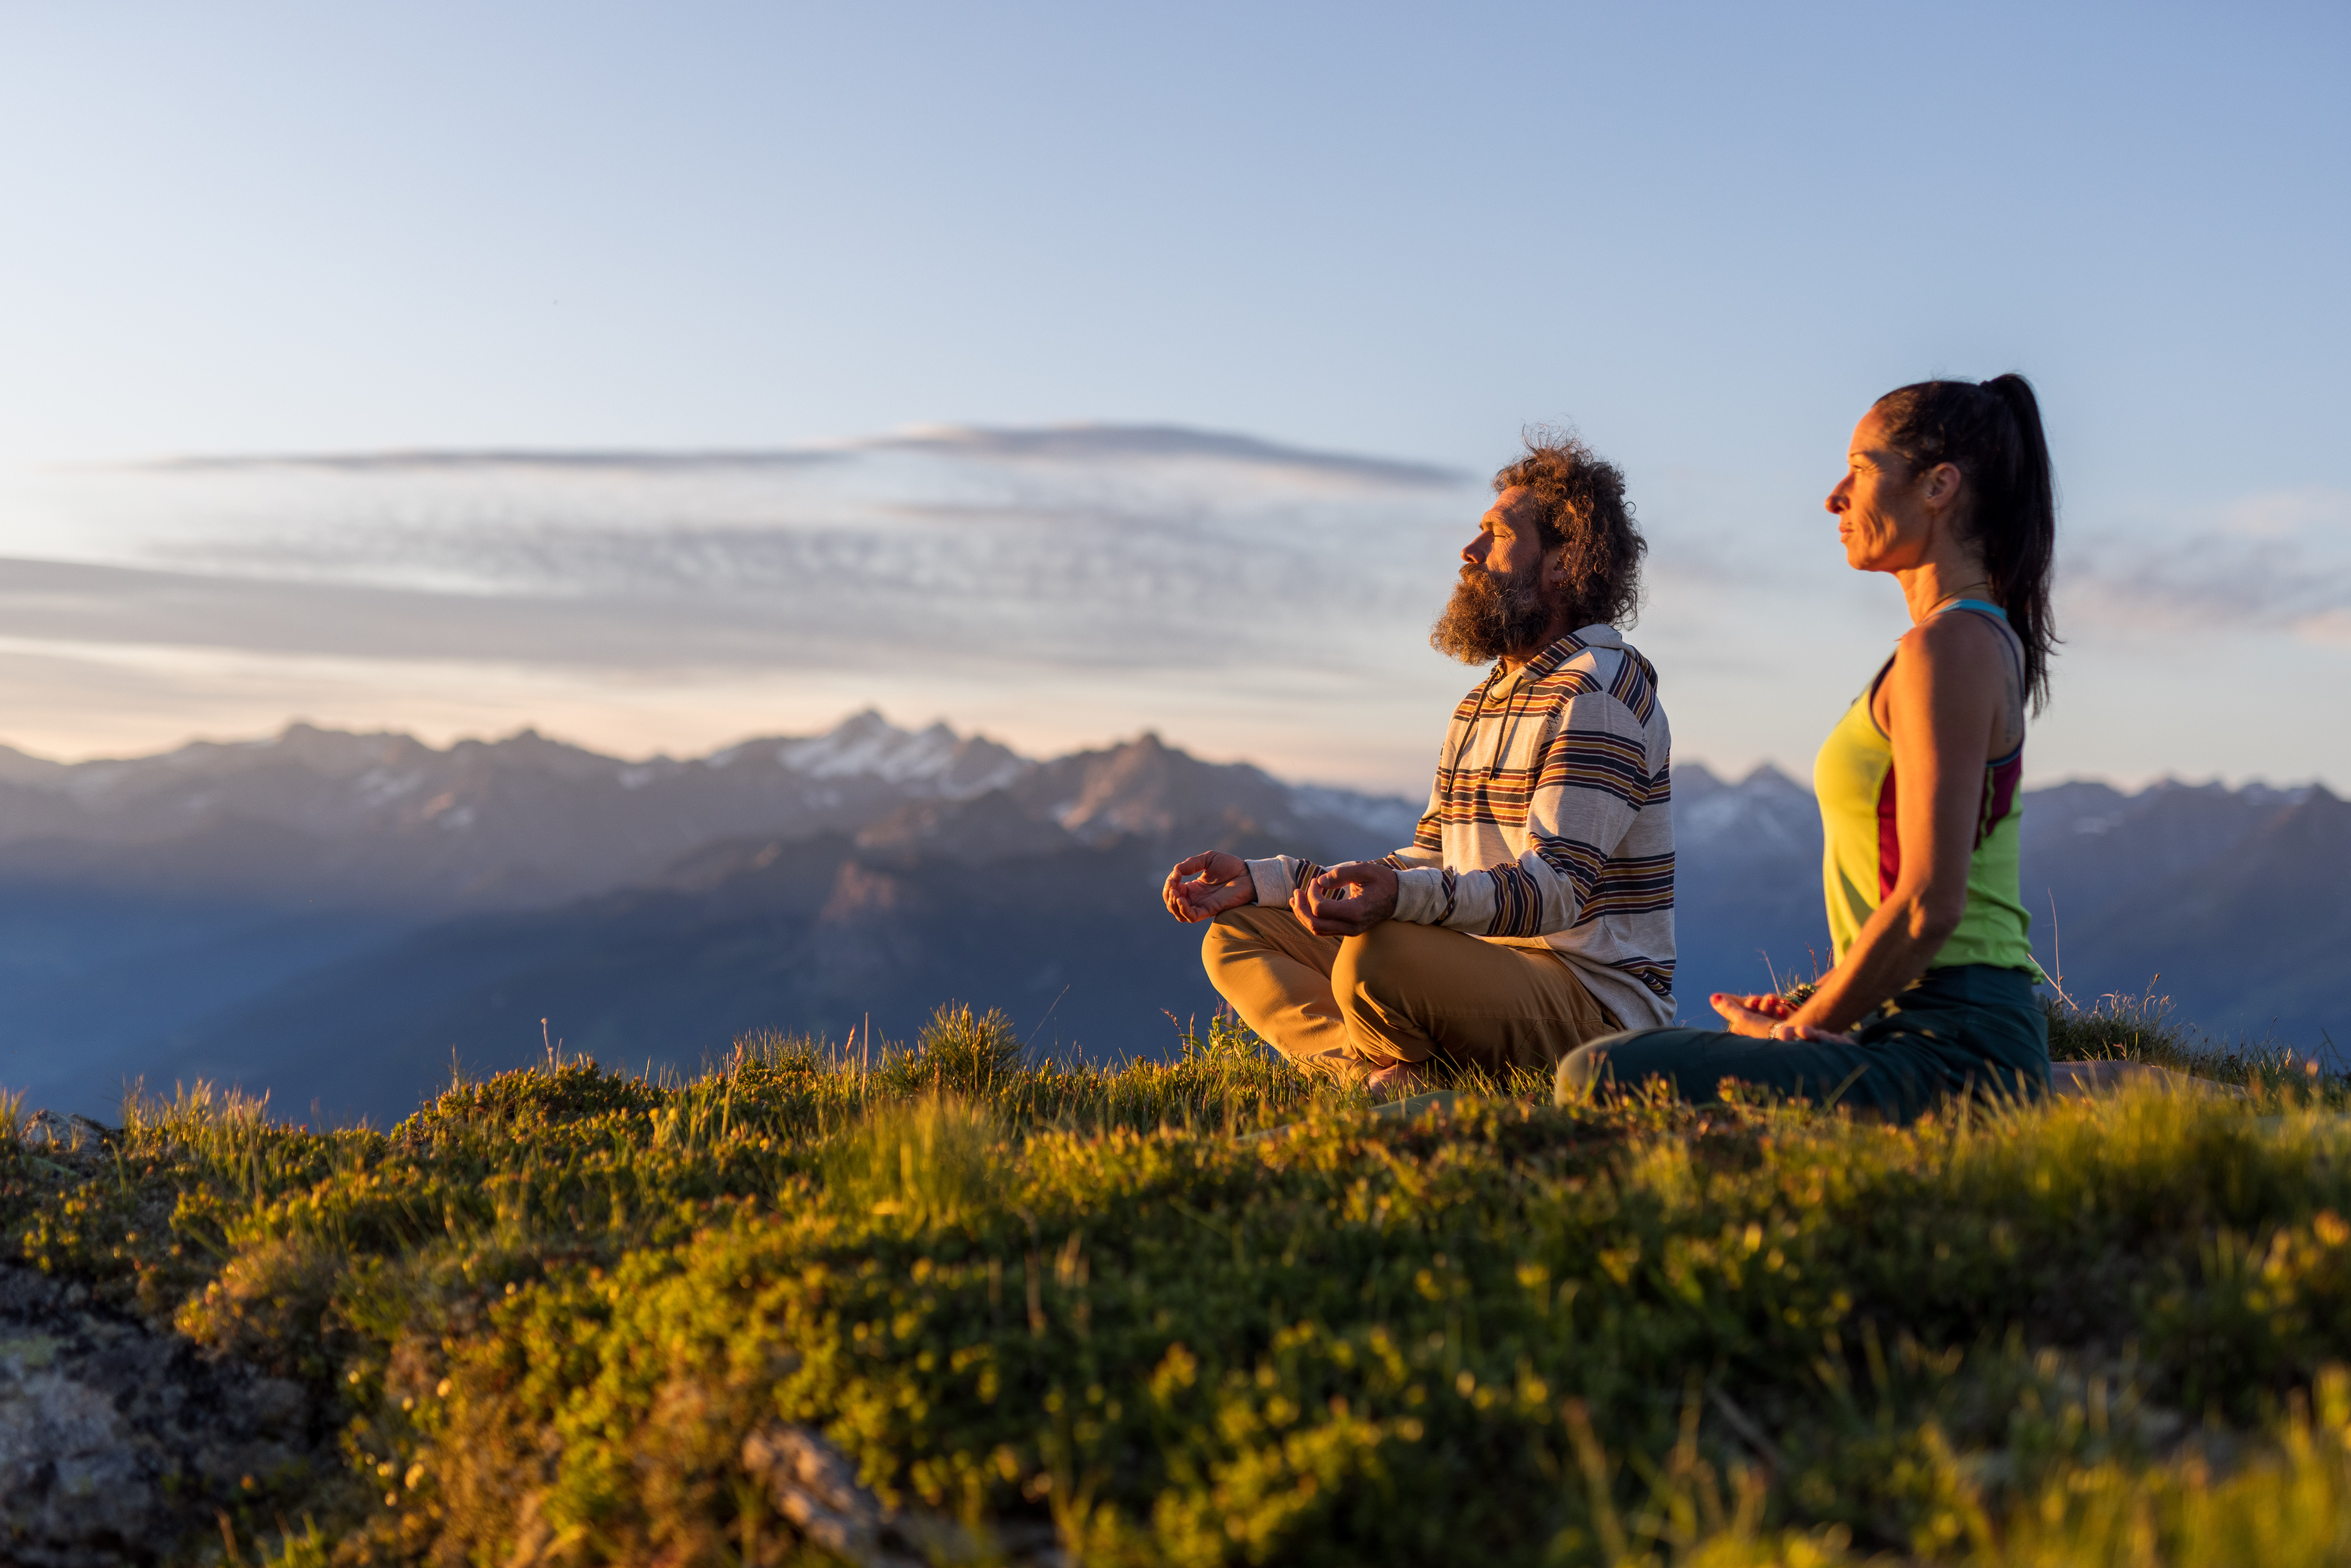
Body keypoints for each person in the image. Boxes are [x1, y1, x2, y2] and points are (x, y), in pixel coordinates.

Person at [1558, 374, 2057, 1121]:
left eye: (1860, 469)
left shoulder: (1949, 648)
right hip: (1932, 1027)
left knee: (1598, 1074)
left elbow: (1928, 905)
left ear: (1938, 486)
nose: (1835, 496)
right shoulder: (1967, 641)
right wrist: (1823, 1005)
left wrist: (1804, 1031)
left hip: (1952, 1047)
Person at [1162, 431, 1675, 1097]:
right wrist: (1271, 880)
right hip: (1478, 968)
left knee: (1376, 957)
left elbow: (1556, 890)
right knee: (1238, 934)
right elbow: (1435, 860)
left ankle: (1408, 1075)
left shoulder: (1597, 690)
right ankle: (1379, 1078)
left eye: (1495, 533)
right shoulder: (1483, 701)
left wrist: (1398, 902)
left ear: (1564, 560)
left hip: (1591, 1009)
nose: (1468, 552)